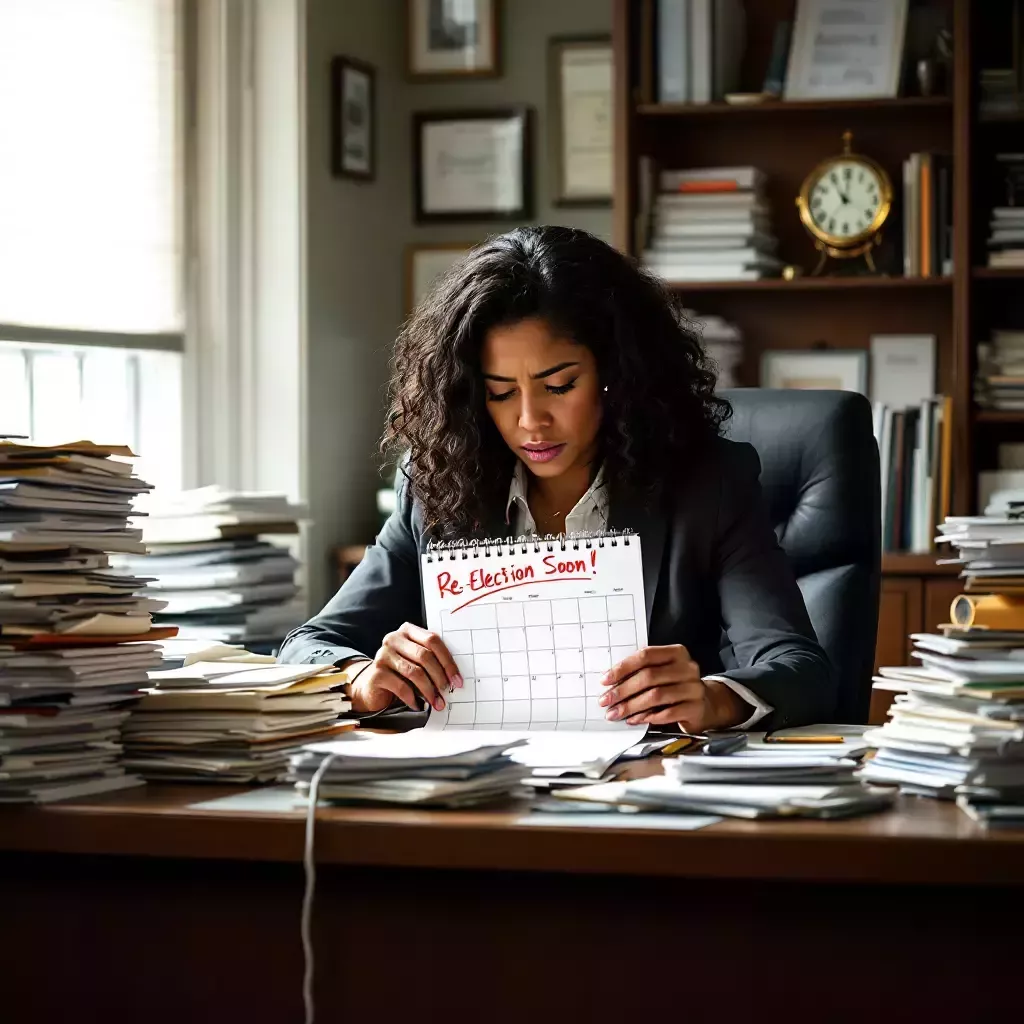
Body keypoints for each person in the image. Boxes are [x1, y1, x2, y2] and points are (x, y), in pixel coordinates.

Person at [278, 225, 835, 732]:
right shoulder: (437, 487)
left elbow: (802, 671)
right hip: (480, 791)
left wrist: (715, 698)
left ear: (619, 373)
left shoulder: (708, 485)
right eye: (500, 393)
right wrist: (360, 678)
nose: (530, 421)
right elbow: (307, 646)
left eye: (560, 385)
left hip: (642, 796)